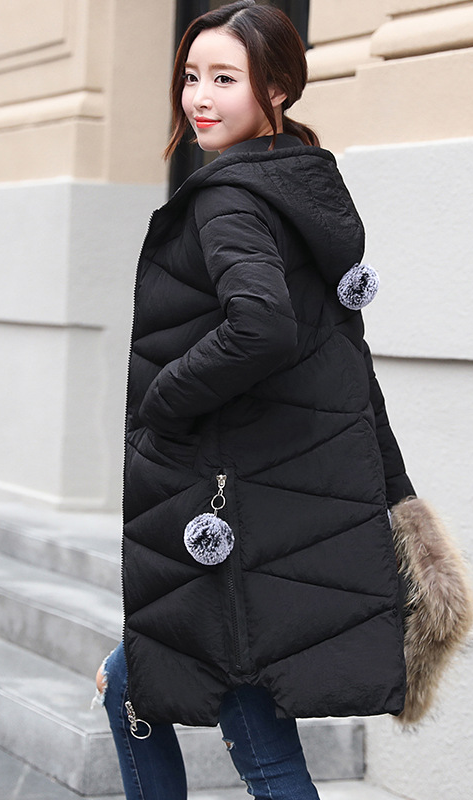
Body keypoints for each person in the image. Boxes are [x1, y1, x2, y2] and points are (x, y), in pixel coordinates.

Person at [94, 2, 419, 798]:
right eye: (191, 77)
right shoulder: (296, 183)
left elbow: (263, 327)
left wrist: (165, 399)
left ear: (276, 89)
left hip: (238, 511)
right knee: (132, 682)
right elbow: (343, 357)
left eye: (225, 79)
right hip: (275, 500)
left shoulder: (229, 198)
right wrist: (394, 489)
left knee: (255, 741)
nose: (199, 98)